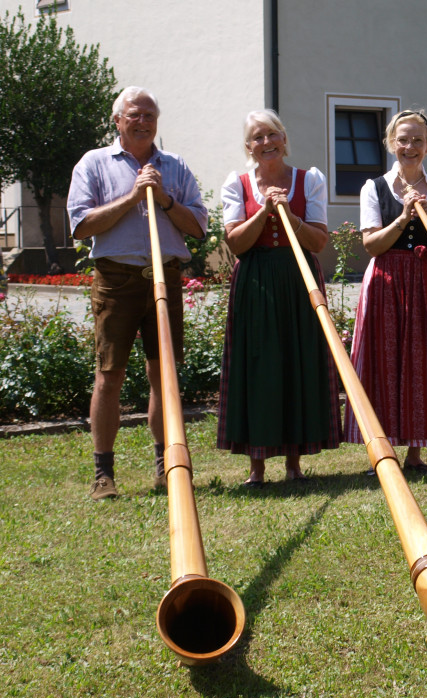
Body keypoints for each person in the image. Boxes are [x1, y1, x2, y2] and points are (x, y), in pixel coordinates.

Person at [67, 86, 208, 501]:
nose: (143, 121)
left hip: (165, 276)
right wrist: (133, 196)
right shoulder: (95, 163)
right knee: (109, 376)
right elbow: (80, 226)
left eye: (150, 115)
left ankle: (167, 466)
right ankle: (103, 474)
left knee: (163, 375)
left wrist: (163, 199)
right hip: (117, 279)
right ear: (118, 120)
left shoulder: (174, 166)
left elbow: (199, 227)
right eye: (135, 115)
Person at [216, 109, 340, 487]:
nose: (266, 143)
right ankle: (256, 466)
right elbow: (236, 244)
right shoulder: (236, 185)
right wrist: (265, 212)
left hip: (299, 276)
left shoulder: (309, 180)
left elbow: (319, 241)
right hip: (256, 281)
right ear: (248, 147)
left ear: (284, 139)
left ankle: (294, 463)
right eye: (257, 137)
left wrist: (290, 214)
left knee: (297, 360)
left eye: (272, 135)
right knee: (258, 365)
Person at [343, 109, 427, 472]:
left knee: (424, 361)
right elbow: (372, 245)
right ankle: (382, 452)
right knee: (382, 363)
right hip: (386, 281)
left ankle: (416, 452)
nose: (409, 146)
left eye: (417, 140)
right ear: (390, 143)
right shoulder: (375, 188)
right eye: (402, 139)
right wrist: (402, 217)